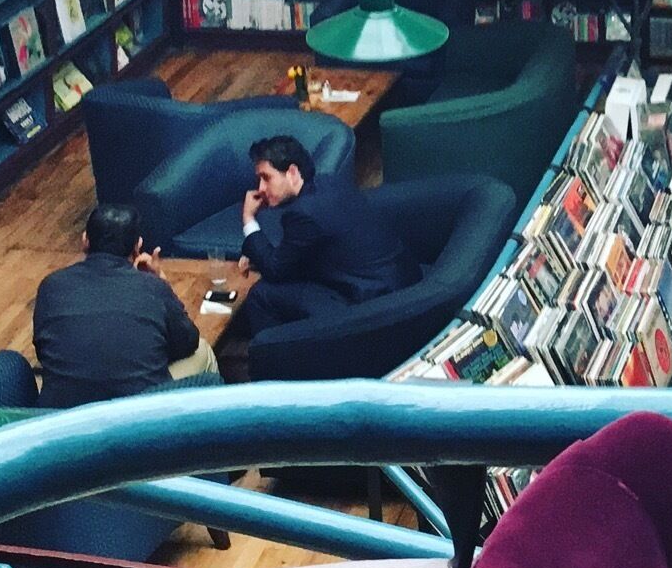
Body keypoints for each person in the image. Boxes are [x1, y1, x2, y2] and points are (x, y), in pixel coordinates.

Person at [236, 136, 417, 337]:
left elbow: (276, 269)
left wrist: (248, 218)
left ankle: (277, 355)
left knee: (262, 294)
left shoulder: (303, 213)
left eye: (266, 178)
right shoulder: (330, 182)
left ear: (292, 172)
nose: (260, 188)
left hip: (374, 301)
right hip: (402, 280)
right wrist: (261, 257)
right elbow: (304, 249)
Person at [32, 202, 206, 409]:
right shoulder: (152, 287)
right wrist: (161, 281)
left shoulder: (51, 286)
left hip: (64, 422)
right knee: (204, 352)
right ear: (137, 247)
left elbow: (44, 351)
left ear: (85, 241)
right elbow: (188, 342)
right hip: (138, 420)